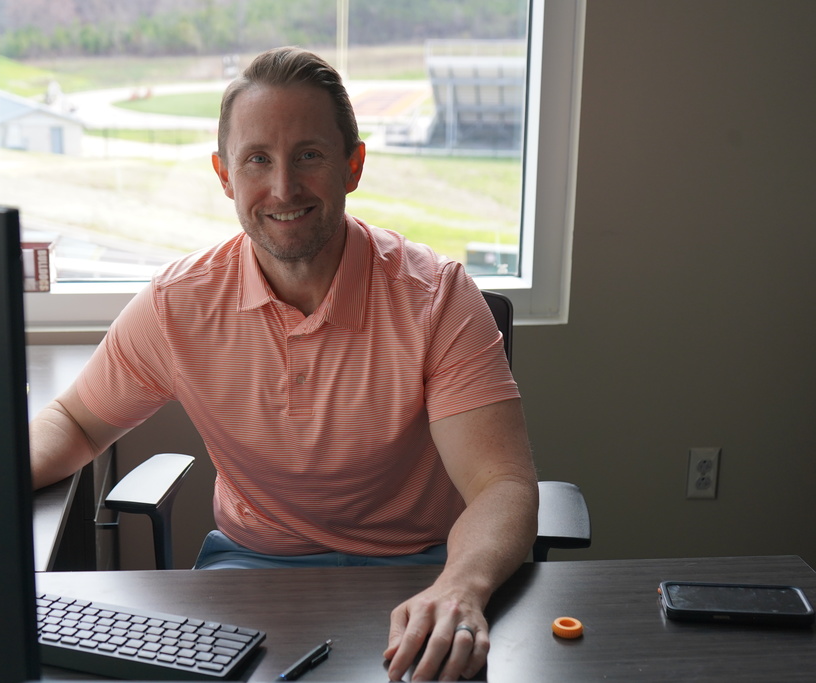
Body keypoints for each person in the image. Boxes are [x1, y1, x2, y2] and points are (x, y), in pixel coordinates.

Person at [30, 46, 538, 682]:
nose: (283, 188)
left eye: (309, 156)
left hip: (422, 571)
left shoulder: (436, 297)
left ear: (353, 165)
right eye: (257, 160)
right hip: (250, 573)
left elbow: (503, 486)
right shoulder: (176, 304)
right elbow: (75, 421)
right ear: (224, 176)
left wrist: (461, 587)